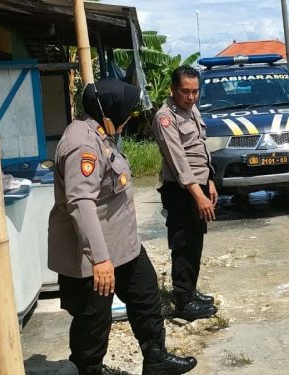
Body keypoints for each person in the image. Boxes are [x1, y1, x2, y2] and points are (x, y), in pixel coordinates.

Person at [48, 79, 197, 375]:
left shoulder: (101, 133)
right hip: (93, 252)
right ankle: (88, 369)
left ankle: (156, 359)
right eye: (127, 112)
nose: (129, 118)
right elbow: (81, 202)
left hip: (122, 244)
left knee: (146, 294)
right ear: (111, 110)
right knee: (94, 317)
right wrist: (101, 259)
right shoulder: (82, 145)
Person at [151, 66, 218, 322]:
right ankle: (182, 301)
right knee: (182, 242)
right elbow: (178, 160)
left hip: (199, 185)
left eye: (195, 92)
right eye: (185, 92)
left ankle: (190, 290)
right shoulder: (165, 118)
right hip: (181, 189)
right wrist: (197, 195)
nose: (190, 97)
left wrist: (209, 180)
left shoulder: (191, 110)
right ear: (173, 89)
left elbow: (200, 147)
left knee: (195, 240)